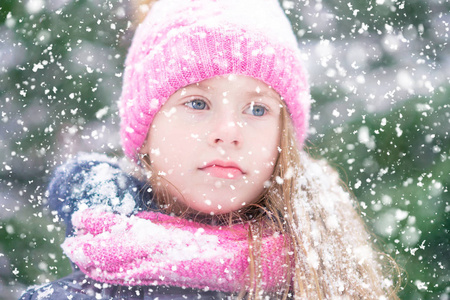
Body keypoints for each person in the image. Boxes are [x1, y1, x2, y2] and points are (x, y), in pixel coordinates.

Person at [20, 0, 399, 299]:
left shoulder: (330, 282)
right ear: (145, 130)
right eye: (198, 103)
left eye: (257, 109)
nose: (228, 132)